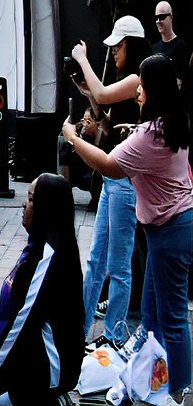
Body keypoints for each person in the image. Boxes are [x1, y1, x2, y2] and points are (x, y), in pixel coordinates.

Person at [64, 55, 193, 398]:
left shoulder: (154, 135)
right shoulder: (174, 122)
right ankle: (153, 382)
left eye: (142, 87)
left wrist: (72, 139)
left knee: (174, 318)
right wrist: (131, 130)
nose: (137, 92)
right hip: (169, 228)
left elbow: (109, 164)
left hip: (171, 233)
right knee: (152, 316)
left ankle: (180, 392)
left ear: (154, 91)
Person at [70, 16, 151, 348]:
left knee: (117, 264)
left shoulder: (137, 78)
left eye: (116, 47)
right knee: (97, 260)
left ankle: (115, 334)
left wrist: (82, 59)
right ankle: (82, 330)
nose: (114, 54)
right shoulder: (129, 80)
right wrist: (85, 92)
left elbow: (103, 95)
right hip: (113, 178)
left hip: (125, 181)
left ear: (128, 45)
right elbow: (105, 121)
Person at [0, 174, 83, 406]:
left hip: (41, 372)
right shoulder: (37, 247)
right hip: (24, 360)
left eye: (31, 198)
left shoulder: (48, 258)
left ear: (46, 207)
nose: (24, 204)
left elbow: (24, 318)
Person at [153, 1, 189, 67]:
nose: (158, 21)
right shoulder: (154, 48)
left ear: (171, 17)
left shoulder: (181, 47)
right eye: (156, 18)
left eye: (162, 17)